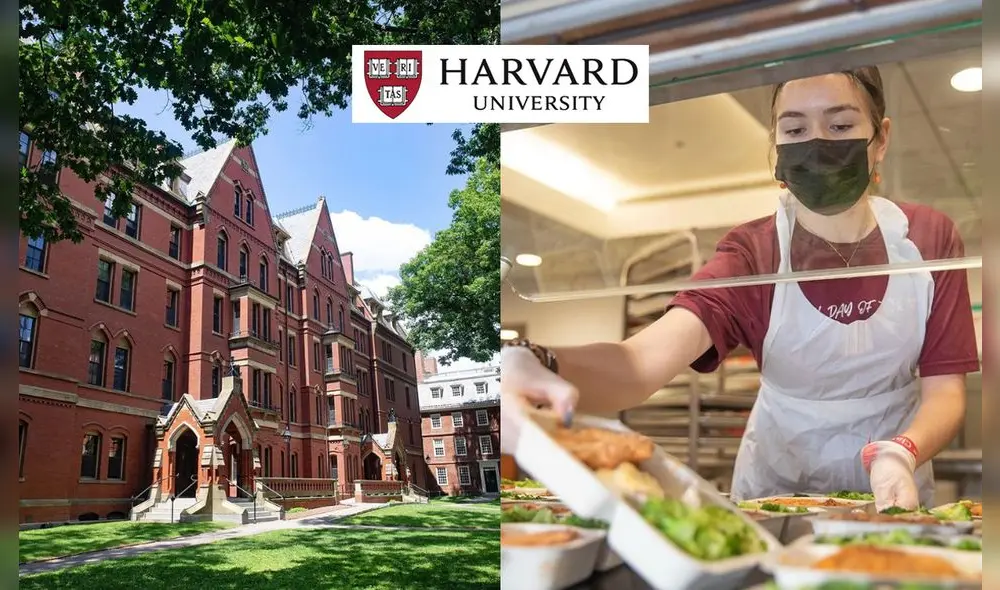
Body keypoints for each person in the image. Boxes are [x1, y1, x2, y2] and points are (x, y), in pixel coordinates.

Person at [500, 66, 979, 511]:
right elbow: (639, 363)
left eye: (839, 127)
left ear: (881, 139)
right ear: (776, 148)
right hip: (778, 489)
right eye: (794, 131)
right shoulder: (753, 253)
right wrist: (536, 359)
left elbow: (945, 391)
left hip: (897, 480)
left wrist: (903, 451)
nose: (816, 145)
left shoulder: (929, 239)